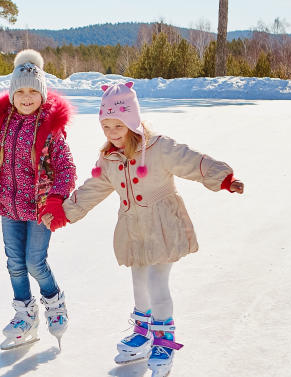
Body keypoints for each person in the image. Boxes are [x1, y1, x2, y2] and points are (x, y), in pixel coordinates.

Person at [47, 82, 244, 376]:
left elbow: (192, 160)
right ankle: (143, 329)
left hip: (163, 224)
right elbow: (93, 189)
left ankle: (165, 338)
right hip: (134, 228)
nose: (112, 133)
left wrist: (224, 178)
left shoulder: (159, 147)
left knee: (156, 279)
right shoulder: (109, 159)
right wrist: (65, 213)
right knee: (139, 279)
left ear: (132, 121)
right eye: (106, 126)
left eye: (118, 125)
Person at [0, 49, 77, 350]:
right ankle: (25, 314)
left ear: (42, 94)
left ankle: (54, 301)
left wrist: (56, 200)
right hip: (8, 207)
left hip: (40, 210)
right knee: (15, 264)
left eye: (33, 91)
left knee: (34, 262)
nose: (27, 97)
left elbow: (66, 168)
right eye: (21, 91)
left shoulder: (50, 129)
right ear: (12, 94)